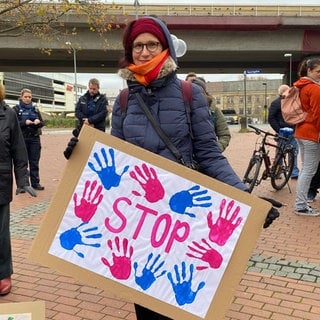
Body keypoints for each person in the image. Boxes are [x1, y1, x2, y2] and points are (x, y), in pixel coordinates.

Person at [64, 16, 280, 320]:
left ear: (166, 48)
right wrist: (81, 152)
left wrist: (246, 197)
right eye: (137, 45)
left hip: (180, 215)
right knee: (144, 292)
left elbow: (209, 154)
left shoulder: (189, 95)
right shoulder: (125, 99)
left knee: (180, 299)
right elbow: (116, 157)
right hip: (141, 219)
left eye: (152, 44)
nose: (144, 51)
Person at [0, 84, 37, 295]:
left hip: (0, 180)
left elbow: (18, 148)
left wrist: (23, 180)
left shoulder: (8, 114)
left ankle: (3, 273)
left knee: (1, 232)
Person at [293, 56, 320, 216]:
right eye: (318, 71)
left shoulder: (301, 86)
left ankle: (301, 203)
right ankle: (301, 205)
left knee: (305, 170)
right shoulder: (315, 89)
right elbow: (318, 115)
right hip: (312, 134)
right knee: (309, 170)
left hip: (301, 131)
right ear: (309, 70)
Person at [13, 88, 45, 192]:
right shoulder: (16, 109)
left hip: (34, 138)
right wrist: (24, 123)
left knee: (34, 162)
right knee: (22, 162)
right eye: (25, 97)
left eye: (29, 97)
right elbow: (12, 124)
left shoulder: (35, 109)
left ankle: (35, 183)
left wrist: (38, 122)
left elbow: (42, 123)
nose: (27, 99)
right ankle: (22, 185)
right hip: (22, 139)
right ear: (21, 97)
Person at [268, 84, 300, 179]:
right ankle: (291, 172)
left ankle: (283, 172)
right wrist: (279, 130)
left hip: (288, 131)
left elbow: (271, 118)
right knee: (290, 152)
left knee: (284, 152)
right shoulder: (278, 103)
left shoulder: (285, 103)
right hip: (286, 132)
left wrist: (278, 129)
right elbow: (271, 118)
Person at [191, 77, 231, 152]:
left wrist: (216, 149)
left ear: (204, 93)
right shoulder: (184, 108)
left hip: (208, 155)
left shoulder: (214, 111)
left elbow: (225, 135)